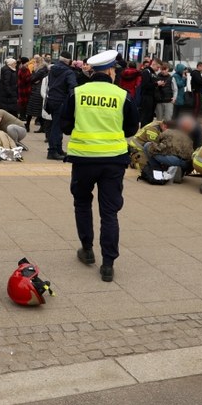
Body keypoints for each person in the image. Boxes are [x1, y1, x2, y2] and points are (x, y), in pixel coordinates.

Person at [60, 50, 139, 282]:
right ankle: (108, 264)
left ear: (92, 72)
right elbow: (132, 129)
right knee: (109, 212)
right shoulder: (122, 95)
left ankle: (87, 250)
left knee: (82, 203)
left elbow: (64, 125)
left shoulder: (77, 93)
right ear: (112, 71)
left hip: (83, 159)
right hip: (114, 160)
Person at [46, 51, 78, 161]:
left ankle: (58, 149)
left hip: (52, 100)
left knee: (56, 125)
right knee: (57, 127)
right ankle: (52, 151)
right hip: (61, 101)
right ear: (69, 61)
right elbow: (72, 87)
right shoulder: (69, 72)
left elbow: (50, 84)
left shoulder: (52, 69)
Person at [25, 57, 49, 133]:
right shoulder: (44, 69)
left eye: (35, 62)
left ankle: (28, 125)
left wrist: (33, 72)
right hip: (38, 90)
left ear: (38, 63)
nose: (34, 64)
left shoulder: (40, 70)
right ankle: (42, 126)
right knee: (37, 110)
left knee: (33, 109)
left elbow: (32, 79)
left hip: (37, 91)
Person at [138, 59, 160, 126]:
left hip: (152, 97)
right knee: (145, 116)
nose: (158, 69)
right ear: (153, 64)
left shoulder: (153, 73)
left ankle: (147, 131)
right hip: (146, 97)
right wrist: (156, 84)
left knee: (150, 117)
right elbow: (145, 85)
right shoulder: (146, 72)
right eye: (157, 67)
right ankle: (143, 131)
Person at [16, 56, 32, 123]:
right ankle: (23, 116)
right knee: (24, 103)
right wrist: (32, 77)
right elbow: (26, 79)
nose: (28, 63)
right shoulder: (24, 69)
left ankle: (22, 116)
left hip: (22, 88)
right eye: (27, 62)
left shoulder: (21, 68)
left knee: (22, 103)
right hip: (24, 88)